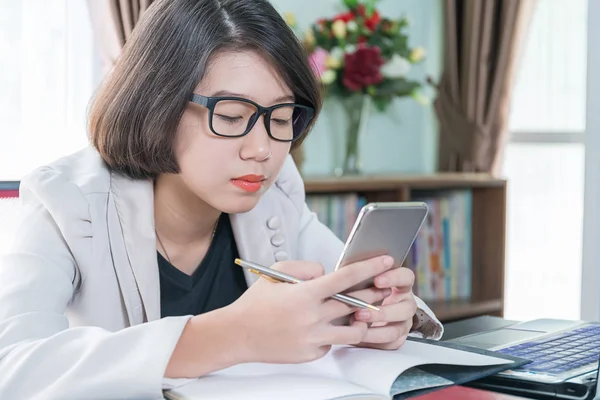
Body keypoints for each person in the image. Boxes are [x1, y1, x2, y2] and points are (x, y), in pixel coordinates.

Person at [0, 0, 443, 398]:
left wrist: (386, 315)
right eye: (231, 116)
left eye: (282, 117)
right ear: (159, 104)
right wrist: (232, 335)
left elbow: (348, 288)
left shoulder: (275, 186)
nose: (263, 150)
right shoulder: (64, 199)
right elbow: (12, 366)